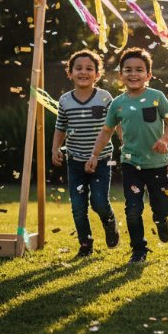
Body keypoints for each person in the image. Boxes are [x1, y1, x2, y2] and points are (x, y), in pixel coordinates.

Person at [86, 47, 168, 264]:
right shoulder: (118, 104)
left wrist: (164, 140)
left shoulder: (157, 97)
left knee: (161, 205)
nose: (133, 74)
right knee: (133, 209)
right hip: (131, 165)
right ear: (120, 75)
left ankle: (161, 219)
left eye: (139, 70)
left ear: (149, 75)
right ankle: (139, 250)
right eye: (128, 70)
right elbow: (107, 131)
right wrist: (93, 155)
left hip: (156, 165)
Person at [51, 49, 119, 258]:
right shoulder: (65, 100)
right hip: (75, 161)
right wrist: (55, 148)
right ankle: (85, 244)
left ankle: (109, 223)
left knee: (99, 202)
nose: (84, 72)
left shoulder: (105, 97)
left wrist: (127, 144)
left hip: (102, 160)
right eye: (78, 68)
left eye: (89, 68)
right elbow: (60, 126)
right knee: (78, 207)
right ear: (69, 73)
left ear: (97, 74)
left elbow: (115, 124)